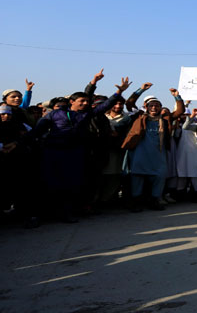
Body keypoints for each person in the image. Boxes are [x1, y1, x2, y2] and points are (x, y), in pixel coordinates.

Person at [21, 72, 130, 221]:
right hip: (53, 153)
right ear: (71, 101)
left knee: (72, 184)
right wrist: (18, 143)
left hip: (75, 153)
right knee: (50, 182)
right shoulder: (55, 114)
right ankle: (46, 213)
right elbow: (37, 131)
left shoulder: (86, 115)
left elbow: (106, 105)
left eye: (87, 101)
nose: (85, 103)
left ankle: (67, 213)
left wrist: (119, 91)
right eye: (82, 101)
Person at [122, 87, 185, 211]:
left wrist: (177, 97)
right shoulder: (139, 116)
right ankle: (135, 202)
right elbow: (129, 103)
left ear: (160, 108)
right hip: (140, 154)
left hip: (158, 155)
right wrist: (140, 90)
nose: (154, 108)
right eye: (151, 106)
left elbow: (180, 111)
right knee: (138, 178)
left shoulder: (165, 120)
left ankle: (155, 200)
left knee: (159, 177)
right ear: (146, 107)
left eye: (157, 106)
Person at [175, 108, 197, 199]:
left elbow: (186, 126)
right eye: (183, 115)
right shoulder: (177, 126)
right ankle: (180, 194)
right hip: (181, 152)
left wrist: (192, 117)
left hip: (193, 153)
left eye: (187, 115)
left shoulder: (194, 125)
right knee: (181, 173)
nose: (184, 116)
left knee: (193, 173)